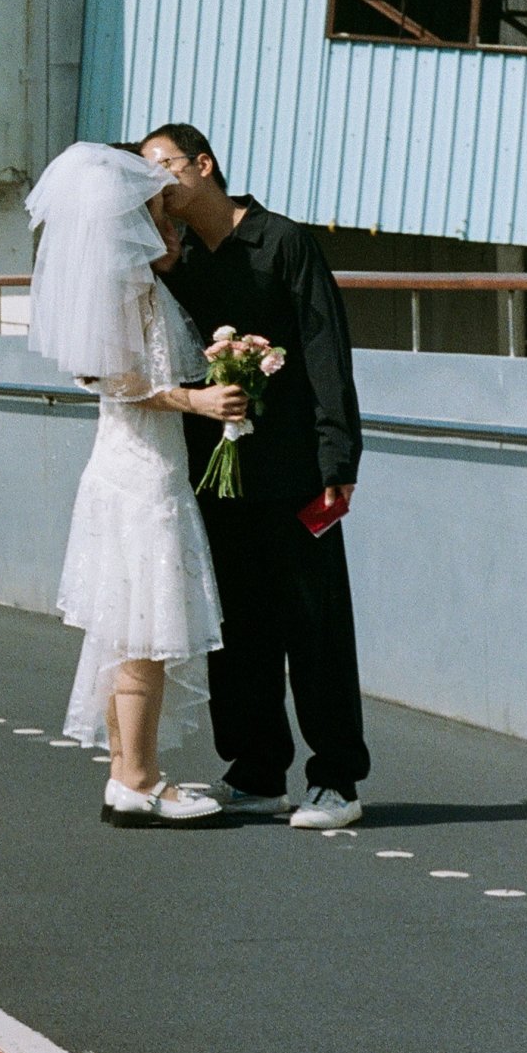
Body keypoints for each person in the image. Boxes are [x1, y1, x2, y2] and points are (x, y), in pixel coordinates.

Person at [140, 124, 368, 831]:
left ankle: (336, 780)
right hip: (217, 471)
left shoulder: (283, 241)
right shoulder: (177, 260)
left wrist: (338, 460)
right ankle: (256, 772)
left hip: (296, 468)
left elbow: (326, 348)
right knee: (237, 628)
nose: (158, 184)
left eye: (164, 167)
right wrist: (170, 267)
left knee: (315, 627)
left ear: (203, 165)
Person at [27, 141, 247, 825]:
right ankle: (140, 778)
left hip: (131, 467)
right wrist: (198, 400)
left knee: (126, 633)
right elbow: (122, 383)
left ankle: (127, 775)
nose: (167, 220)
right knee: (146, 631)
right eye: (155, 211)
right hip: (142, 473)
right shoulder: (129, 288)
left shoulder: (127, 284)